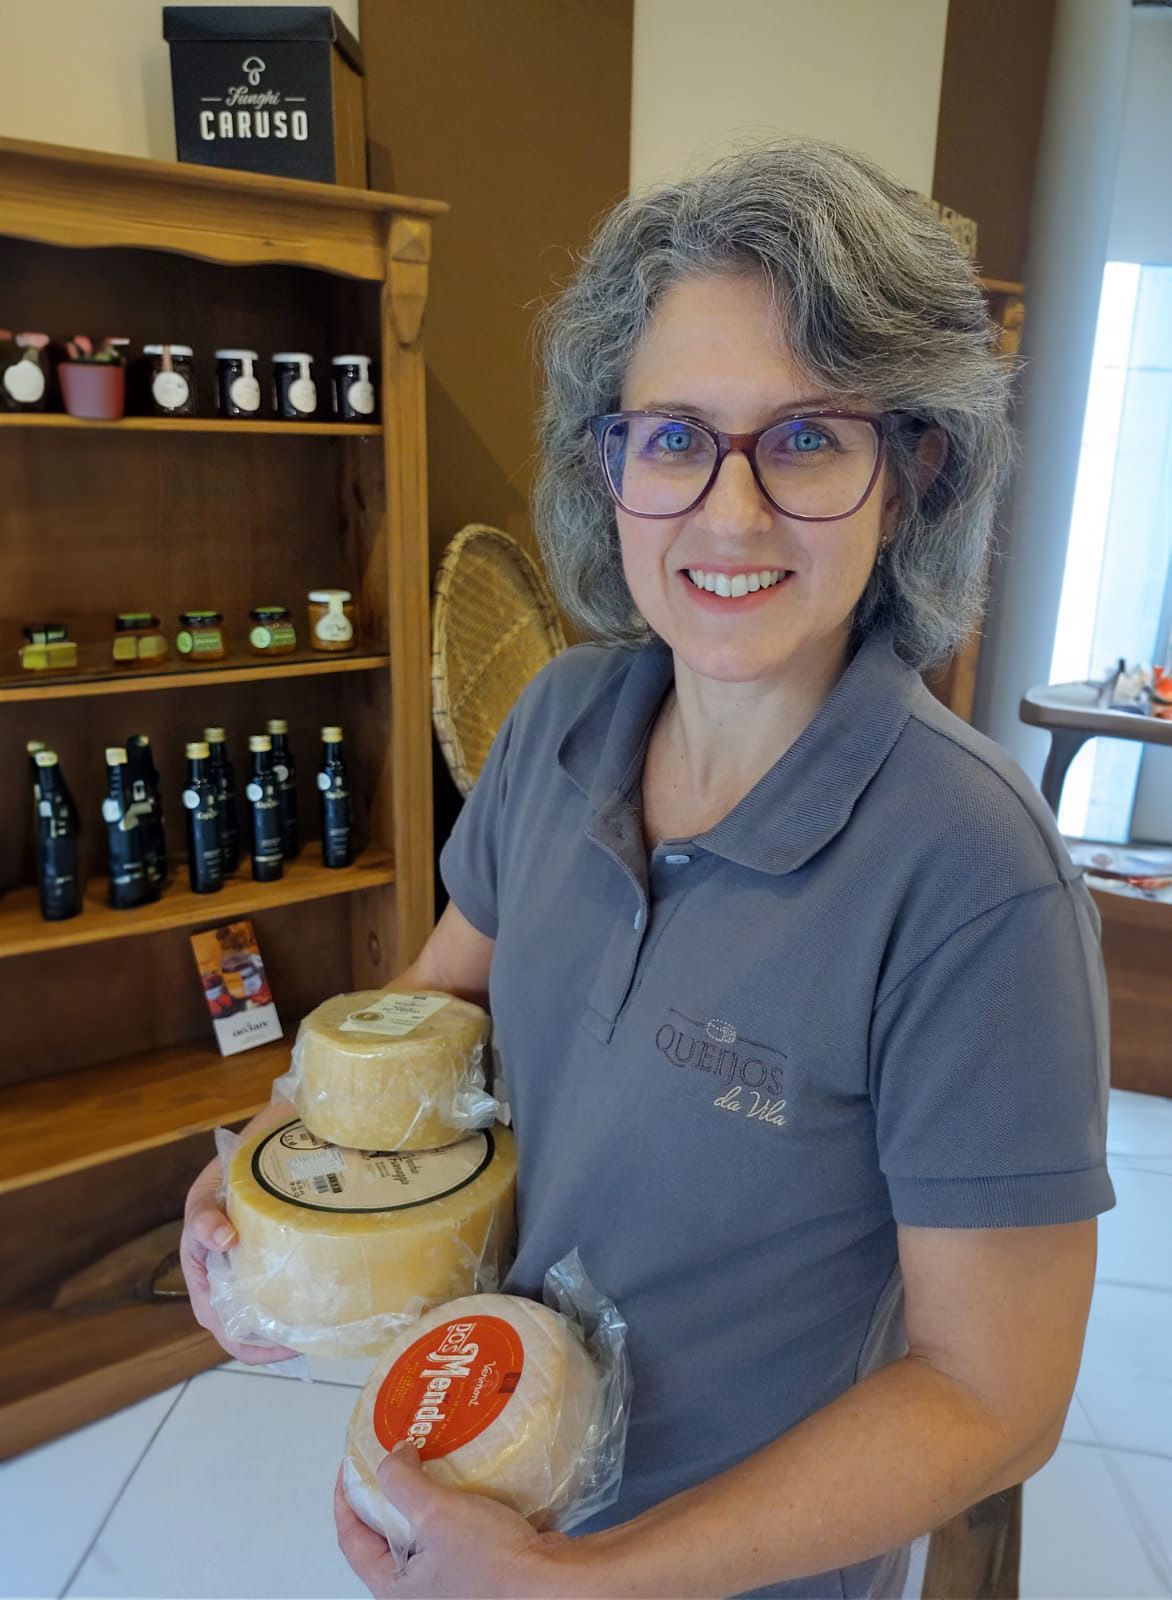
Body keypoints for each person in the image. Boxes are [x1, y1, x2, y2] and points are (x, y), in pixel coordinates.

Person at [182, 140, 1115, 1599]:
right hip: (480, 1466)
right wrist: (281, 1180)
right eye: (675, 437)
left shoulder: (976, 879)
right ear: (608, 466)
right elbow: (436, 1014)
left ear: (911, 472)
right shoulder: (558, 722)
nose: (729, 517)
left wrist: (583, 1584)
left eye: (808, 439)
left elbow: (992, 1398)